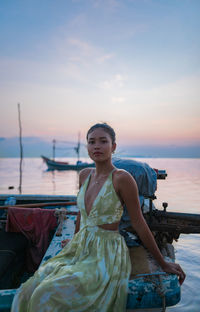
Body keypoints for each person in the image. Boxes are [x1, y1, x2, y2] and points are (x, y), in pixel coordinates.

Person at [11, 123, 185, 312]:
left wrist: (162, 262)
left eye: (103, 141)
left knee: (45, 293)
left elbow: (139, 223)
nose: (97, 146)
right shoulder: (84, 175)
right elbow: (81, 214)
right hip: (82, 245)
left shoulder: (122, 178)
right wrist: (74, 240)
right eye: (91, 142)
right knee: (29, 288)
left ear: (114, 147)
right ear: (87, 148)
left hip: (106, 251)